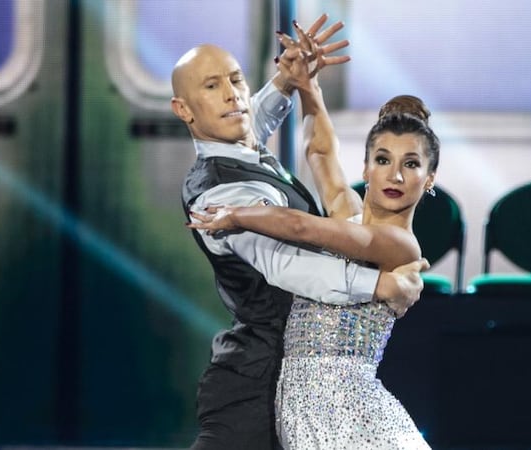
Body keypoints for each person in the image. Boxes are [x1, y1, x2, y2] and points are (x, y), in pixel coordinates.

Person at [171, 15, 428, 450]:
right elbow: (319, 151)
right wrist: (304, 87)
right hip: (257, 381)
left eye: (236, 80)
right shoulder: (334, 207)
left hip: (332, 403)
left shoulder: (395, 244)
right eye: (382, 160)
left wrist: (293, 84)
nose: (232, 94)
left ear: (430, 179)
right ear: (365, 167)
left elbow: (297, 214)